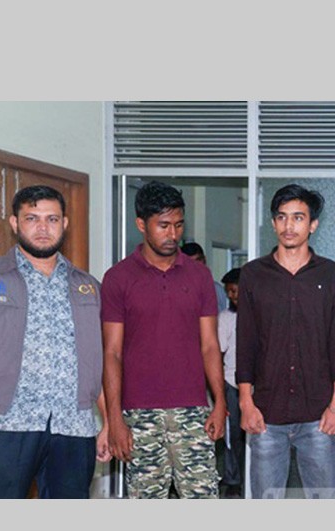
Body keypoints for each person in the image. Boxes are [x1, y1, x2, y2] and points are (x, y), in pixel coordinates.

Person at [0, 184, 110, 498]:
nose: (43, 228)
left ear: (64, 224)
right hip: (6, 424)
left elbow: (98, 361)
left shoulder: (89, 288)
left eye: (52, 219)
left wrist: (109, 422)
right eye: (32, 219)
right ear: (14, 223)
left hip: (74, 427)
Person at [101, 180, 227, 499]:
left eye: (179, 225)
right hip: (138, 414)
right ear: (141, 224)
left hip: (193, 411)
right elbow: (112, 352)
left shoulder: (199, 276)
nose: (173, 234)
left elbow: (210, 345)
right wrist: (114, 419)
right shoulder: (118, 278)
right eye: (164, 225)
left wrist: (220, 402)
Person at [236, 184, 335, 499]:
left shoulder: (331, 274)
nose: (289, 225)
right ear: (273, 223)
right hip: (266, 413)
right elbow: (246, 342)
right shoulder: (253, 274)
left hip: (320, 414)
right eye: (282, 217)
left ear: (313, 225)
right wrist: (246, 403)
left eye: (298, 217)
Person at [217, 267, 245, 498]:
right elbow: (217, 354)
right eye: (229, 292)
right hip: (231, 383)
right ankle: (233, 480)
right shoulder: (225, 318)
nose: (232, 296)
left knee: (256, 437)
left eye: (235, 291)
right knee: (233, 435)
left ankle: (250, 479)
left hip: (257, 386)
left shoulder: (261, 314)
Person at [182, 241, 227, 313]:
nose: (195, 265)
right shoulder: (176, 290)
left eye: (198, 260)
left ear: (204, 259)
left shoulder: (217, 289)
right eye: (190, 262)